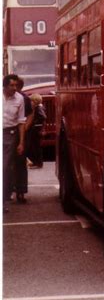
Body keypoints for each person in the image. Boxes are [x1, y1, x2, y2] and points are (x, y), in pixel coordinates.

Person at [3, 74, 26, 212]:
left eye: (16, 85)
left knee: (4, 168)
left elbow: (21, 122)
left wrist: (21, 143)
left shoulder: (20, 99)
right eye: (12, 85)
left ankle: (3, 201)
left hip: (9, 135)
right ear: (5, 86)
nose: (15, 88)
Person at [13, 77, 33, 202]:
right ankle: (19, 191)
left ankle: (17, 191)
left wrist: (23, 128)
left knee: (16, 163)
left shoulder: (23, 98)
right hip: (15, 133)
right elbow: (31, 114)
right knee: (19, 164)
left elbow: (30, 114)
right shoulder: (24, 97)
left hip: (18, 133)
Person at [27, 94, 47, 168]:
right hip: (36, 129)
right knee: (33, 146)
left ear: (35, 101)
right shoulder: (37, 108)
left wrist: (35, 123)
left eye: (31, 101)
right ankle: (35, 162)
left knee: (36, 147)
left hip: (36, 129)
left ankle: (38, 163)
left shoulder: (38, 108)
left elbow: (43, 117)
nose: (30, 103)